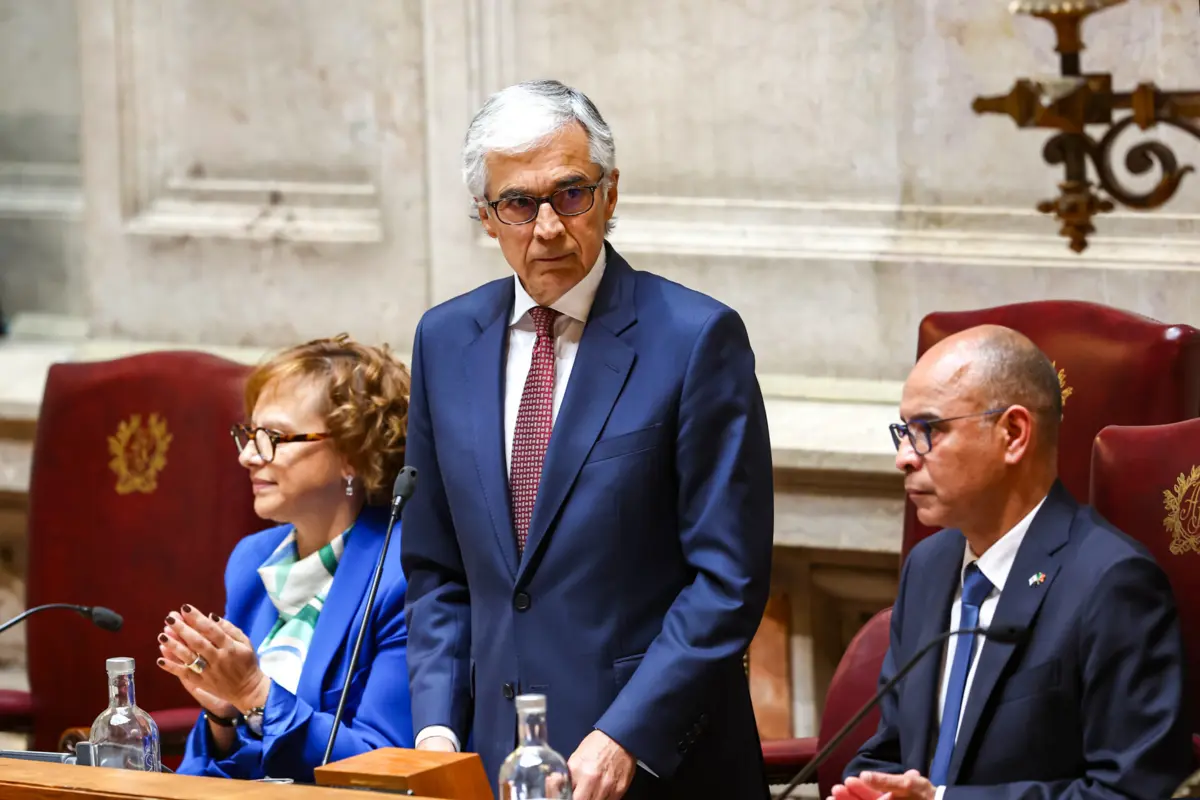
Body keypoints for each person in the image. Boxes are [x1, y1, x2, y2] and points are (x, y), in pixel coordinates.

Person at [400, 79, 775, 800]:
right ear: (486, 217)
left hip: (657, 766)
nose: (547, 228)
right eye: (518, 204)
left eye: (570, 194)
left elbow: (727, 582)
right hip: (493, 763)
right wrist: (438, 733)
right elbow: (436, 569)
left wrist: (626, 733)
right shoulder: (444, 340)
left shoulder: (696, 339)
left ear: (610, 194)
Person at [831, 325, 1193, 800]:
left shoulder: (1111, 583)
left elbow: (1129, 792)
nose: (903, 458)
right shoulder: (929, 566)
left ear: (1014, 434)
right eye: (903, 432)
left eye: (928, 431)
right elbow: (888, 751)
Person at [159, 335, 415, 781]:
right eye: (248, 434)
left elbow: (383, 772)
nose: (247, 455)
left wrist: (254, 691)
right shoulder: (252, 561)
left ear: (352, 454)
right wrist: (223, 716)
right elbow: (218, 768)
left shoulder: (403, 573)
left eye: (272, 437)